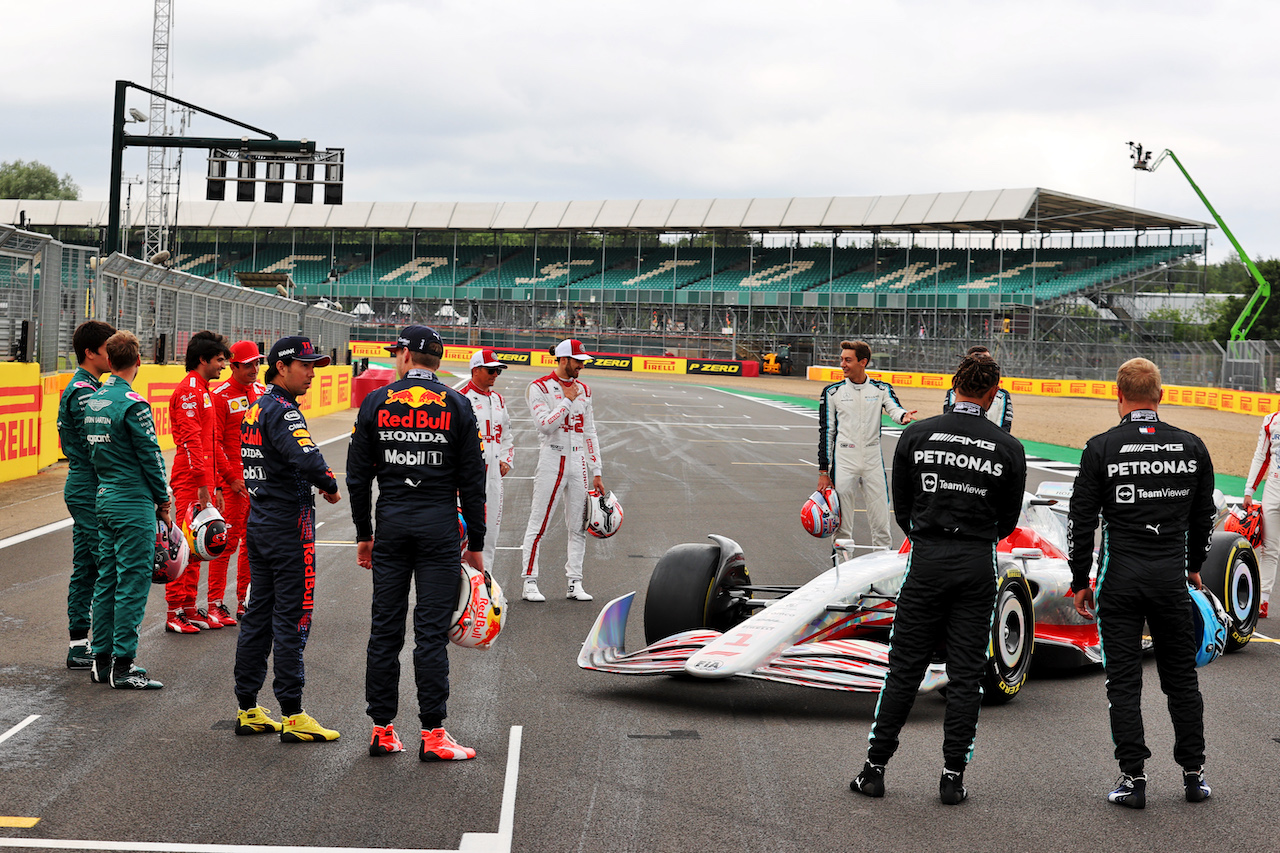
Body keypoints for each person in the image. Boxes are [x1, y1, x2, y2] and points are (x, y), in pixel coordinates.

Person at [851, 350, 1026, 805]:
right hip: (976, 564)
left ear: (953, 386)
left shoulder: (917, 432)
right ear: (992, 394)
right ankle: (952, 779)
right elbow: (1007, 522)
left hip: (927, 558)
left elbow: (902, 506)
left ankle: (874, 771)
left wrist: (929, 535)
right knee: (967, 675)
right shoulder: (1008, 447)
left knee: (903, 669)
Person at [1068, 357, 1215, 809]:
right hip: (1171, 579)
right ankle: (1194, 776)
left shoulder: (1102, 447)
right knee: (1181, 680)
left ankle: (1133, 780)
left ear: (1119, 397)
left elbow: (1081, 520)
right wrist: (1193, 564)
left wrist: (1079, 580)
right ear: (1160, 396)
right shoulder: (1191, 445)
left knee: (1124, 684)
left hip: (1121, 580)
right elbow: (1204, 516)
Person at [348, 325, 488, 760]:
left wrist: (364, 535)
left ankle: (382, 730)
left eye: (396, 354)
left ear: (407, 356)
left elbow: (357, 478)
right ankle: (433, 734)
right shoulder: (458, 403)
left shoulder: (376, 400)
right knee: (430, 634)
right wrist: (477, 542)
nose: (394, 360)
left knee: (385, 630)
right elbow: (473, 481)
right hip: (438, 529)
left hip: (391, 526)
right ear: (438, 362)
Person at [232, 336, 342, 742]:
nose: (312, 374)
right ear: (281, 367)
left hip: (260, 522)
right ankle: (293, 715)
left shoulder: (255, 407)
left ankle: (248, 708)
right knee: (293, 616)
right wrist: (330, 483)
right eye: (305, 365)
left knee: (258, 615)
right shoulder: (282, 410)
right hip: (288, 525)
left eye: (315, 366)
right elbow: (306, 456)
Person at [84, 331, 170, 690]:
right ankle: (124, 667)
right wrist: (164, 501)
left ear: (109, 359)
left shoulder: (93, 399)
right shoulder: (133, 403)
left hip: (104, 497)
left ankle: (101, 662)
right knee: (132, 583)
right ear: (138, 362)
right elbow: (150, 455)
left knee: (106, 580)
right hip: (132, 503)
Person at [520, 338, 605, 603]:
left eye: (583, 361)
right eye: (578, 361)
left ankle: (574, 582)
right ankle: (530, 581)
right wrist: (566, 401)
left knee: (579, 525)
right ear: (564, 359)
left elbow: (590, 431)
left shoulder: (585, 390)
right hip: (551, 458)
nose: (581, 365)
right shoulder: (538, 387)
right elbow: (545, 425)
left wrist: (597, 470)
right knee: (539, 521)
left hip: (578, 461)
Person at [817, 340, 916, 549]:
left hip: (872, 462)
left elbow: (894, 409)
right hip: (844, 461)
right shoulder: (832, 392)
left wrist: (903, 416)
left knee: (882, 526)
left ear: (863, 362)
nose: (842, 364)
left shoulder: (881, 389)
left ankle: (881, 579)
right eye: (842, 359)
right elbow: (827, 432)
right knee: (842, 528)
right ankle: (842, 577)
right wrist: (823, 471)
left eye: (848, 360)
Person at [57, 319, 116, 669]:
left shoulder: (91, 387)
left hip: (89, 484)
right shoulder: (83, 391)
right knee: (108, 566)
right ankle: (107, 653)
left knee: (87, 567)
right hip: (88, 485)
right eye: (109, 348)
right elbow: (96, 448)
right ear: (91, 352)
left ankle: (80, 645)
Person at [164, 330, 232, 633]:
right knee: (182, 547)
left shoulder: (203, 390)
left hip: (204, 479)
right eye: (219, 360)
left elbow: (211, 445)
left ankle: (189, 607)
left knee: (196, 547)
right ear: (203, 359)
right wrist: (204, 486)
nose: (223, 366)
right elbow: (192, 443)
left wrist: (216, 485)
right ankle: (173, 611)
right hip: (190, 478)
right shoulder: (190, 391)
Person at [208, 340, 266, 620]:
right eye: (249, 364)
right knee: (225, 543)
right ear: (233, 366)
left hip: (259, 481)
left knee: (253, 543)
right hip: (232, 484)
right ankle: (215, 603)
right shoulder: (219, 395)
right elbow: (214, 442)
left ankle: (246, 600)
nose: (255, 368)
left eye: (257, 363)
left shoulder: (262, 392)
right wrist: (228, 479)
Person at [455, 348, 514, 575]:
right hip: (467, 477)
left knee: (491, 532)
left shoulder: (498, 399)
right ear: (475, 370)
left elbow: (507, 433)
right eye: (491, 370)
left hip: (493, 477)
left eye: (498, 370)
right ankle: (460, 583)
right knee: (464, 530)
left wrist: (507, 459)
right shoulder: (459, 398)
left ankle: (485, 581)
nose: (495, 375)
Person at [1243, 410, 1279, 618]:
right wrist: (1249, 490)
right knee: (1269, 548)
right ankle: (1263, 601)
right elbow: (1261, 456)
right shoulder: (1270, 421)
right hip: (1273, 488)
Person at [943, 346, 1013, 432]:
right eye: (979, 358)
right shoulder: (952, 393)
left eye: (987, 359)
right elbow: (948, 422)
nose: (983, 364)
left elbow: (1004, 428)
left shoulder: (1002, 395)